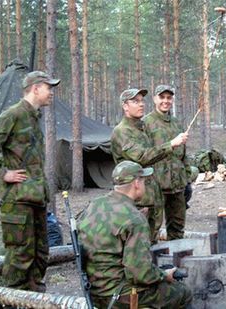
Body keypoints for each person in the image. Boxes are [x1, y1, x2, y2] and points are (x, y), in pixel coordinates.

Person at [77, 161, 192, 308]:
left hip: (94, 292)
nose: (145, 185)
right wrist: (164, 275)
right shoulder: (134, 219)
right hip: (120, 295)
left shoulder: (94, 205)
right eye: (144, 181)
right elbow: (140, 273)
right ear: (136, 183)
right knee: (182, 292)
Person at [0, 71, 60, 292]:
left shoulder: (34, 117)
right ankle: (9, 299)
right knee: (19, 255)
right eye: (48, 87)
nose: (51, 92)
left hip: (35, 197)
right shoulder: (13, 114)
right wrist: (1, 173)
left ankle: (33, 297)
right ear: (35, 88)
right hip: (17, 200)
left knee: (40, 253)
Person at [111, 88, 188, 244]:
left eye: (141, 101)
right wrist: (171, 144)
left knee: (152, 239)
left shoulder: (140, 128)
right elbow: (142, 157)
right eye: (135, 101)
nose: (141, 105)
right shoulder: (123, 131)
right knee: (139, 242)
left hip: (151, 194)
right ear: (125, 106)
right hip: (136, 197)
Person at [143, 85, 192, 240]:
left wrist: (187, 179)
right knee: (152, 228)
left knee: (177, 227)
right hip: (156, 185)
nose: (165, 101)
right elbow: (144, 155)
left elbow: (183, 155)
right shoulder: (146, 123)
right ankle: (151, 261)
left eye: (169, 98)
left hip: (177, 185)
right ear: (155, 99)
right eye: (162, 97)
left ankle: (177, 259)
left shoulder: (176, 123)